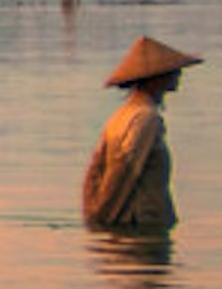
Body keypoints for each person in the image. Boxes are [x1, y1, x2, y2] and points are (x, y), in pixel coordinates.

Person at [82, 36, 202, 235]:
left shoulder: (121, 115)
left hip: (130, 222)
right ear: (156, 77)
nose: (179, 74)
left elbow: (96, 171)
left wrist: (96, 214)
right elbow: (124, 172)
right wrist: (104, 220)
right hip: (140, 224)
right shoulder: (145, 118)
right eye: (172, 71)